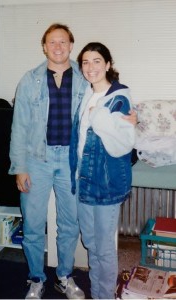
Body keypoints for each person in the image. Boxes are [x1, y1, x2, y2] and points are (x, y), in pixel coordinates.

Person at [9, 23, 137, 299]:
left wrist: (134, 117)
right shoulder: (29, 80)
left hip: (71, 161)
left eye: (63, 42)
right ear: (44, 47)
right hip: (36, 160)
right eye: (52, 42)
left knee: (70, 224)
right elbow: (18, 127)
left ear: (70, 46)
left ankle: (64, 276)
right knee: (32, 223)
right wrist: (19, 167)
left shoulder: (85, 78)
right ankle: (36, 278)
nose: (58, 47)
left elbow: (112, 96)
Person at [69, 42, 136, 299]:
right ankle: (99, 293)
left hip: (105, 183)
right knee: (92, 244)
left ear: (108, 64)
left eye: (97, 61)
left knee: (104, 249)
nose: (90, 67)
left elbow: (124, 144)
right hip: (83, 181)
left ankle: (104, 295)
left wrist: (99, 117)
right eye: (85, 62)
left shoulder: (119, 97)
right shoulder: (87, 93)